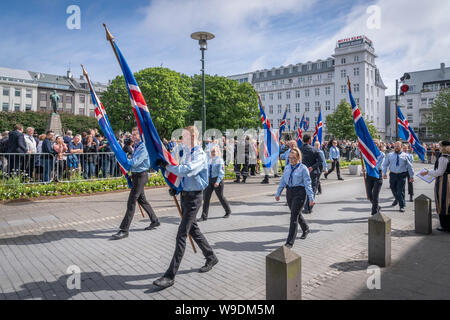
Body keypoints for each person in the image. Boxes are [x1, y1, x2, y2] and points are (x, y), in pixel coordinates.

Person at [153, 126, 218, 289]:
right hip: (185, 195)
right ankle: (211, 256)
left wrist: (167, 167)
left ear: (193, 136)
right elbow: (181, 173)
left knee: (181, 234)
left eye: (184, 136)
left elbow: (187, 170)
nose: (182, 139)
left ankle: (170, 275)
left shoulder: (200, 155)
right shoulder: (186, 153)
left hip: (195, 197)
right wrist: (176, 187)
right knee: (193, 229)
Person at [112, 127, 160, 240]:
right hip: (136, 175)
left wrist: (123, 159)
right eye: (132, 135)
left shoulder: (143, 147)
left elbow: (135, 162)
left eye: (135, 135)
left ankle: (124, 230)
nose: (132, 137)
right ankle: (155, 220)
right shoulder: (137, 146)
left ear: (140, 136)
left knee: (131, 202)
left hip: (141, 176)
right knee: (142, 200)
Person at [275, 147, 314, 247]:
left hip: (300, 192)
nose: (291, 160)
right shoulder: (287, 167)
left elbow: (308, 184)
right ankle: (306, 228)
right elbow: (283, 180)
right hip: (290, 192)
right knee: (296, 213)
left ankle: (289, 242)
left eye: (293, 158)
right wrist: (278, 193)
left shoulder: (303, 168)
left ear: (298, 158)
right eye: (290, 158)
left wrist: (311, 198)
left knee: (293, 217)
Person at [420, 141, 450, 232]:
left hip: (444, 181)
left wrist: (427, 172)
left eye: (439, 145)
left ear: (443, 147)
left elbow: (439, 172)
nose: (438, 147)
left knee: (442, 202)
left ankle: (445, 226)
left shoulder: (443, 158)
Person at [198, 146, 232, 221]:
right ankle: (204, 216)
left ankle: (228, 211)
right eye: (212, 152)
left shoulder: (220, 160)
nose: (213, 153)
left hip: (217, 180)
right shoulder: (209, 160)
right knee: (206, 198)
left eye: (214, 151)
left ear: (218, 152)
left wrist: (217, 181)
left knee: (221, 197)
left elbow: (221, 172)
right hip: (209, 181)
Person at [382, 141, 414, 212]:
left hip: (402, 175)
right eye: (395, 146)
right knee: (393, 188)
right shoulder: (389, 155)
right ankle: (398, 199)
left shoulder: (406, 155)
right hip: (393, 174)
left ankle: (401, 206)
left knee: (400, 191)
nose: (396, 147)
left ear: (401, 147)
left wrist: (411, 176)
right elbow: (385, 165)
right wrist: (384, 173)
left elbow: (410, 167)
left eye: (398, 146)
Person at [299, 134, 321, 214]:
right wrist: (312, 167)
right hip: (313, 172)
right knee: (312, 189)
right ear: (309, 140)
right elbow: (320, 161)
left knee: (305, 190)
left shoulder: (299, 149)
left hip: (302, 172)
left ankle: (306, 207)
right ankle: (309, 207)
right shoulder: (314, 149)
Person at [364, 139, 385, 215]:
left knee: (375, 195)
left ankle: (374, 213)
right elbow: (358, 153)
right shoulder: (368, 153)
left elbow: (379, 165)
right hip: (369, 175)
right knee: (369, 195)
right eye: (373, 143)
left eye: (376, 143)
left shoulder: (381, 154)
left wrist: (369, 167)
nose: (375, 144)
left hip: (377, 175)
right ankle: (377, 206)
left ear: (379, 145)